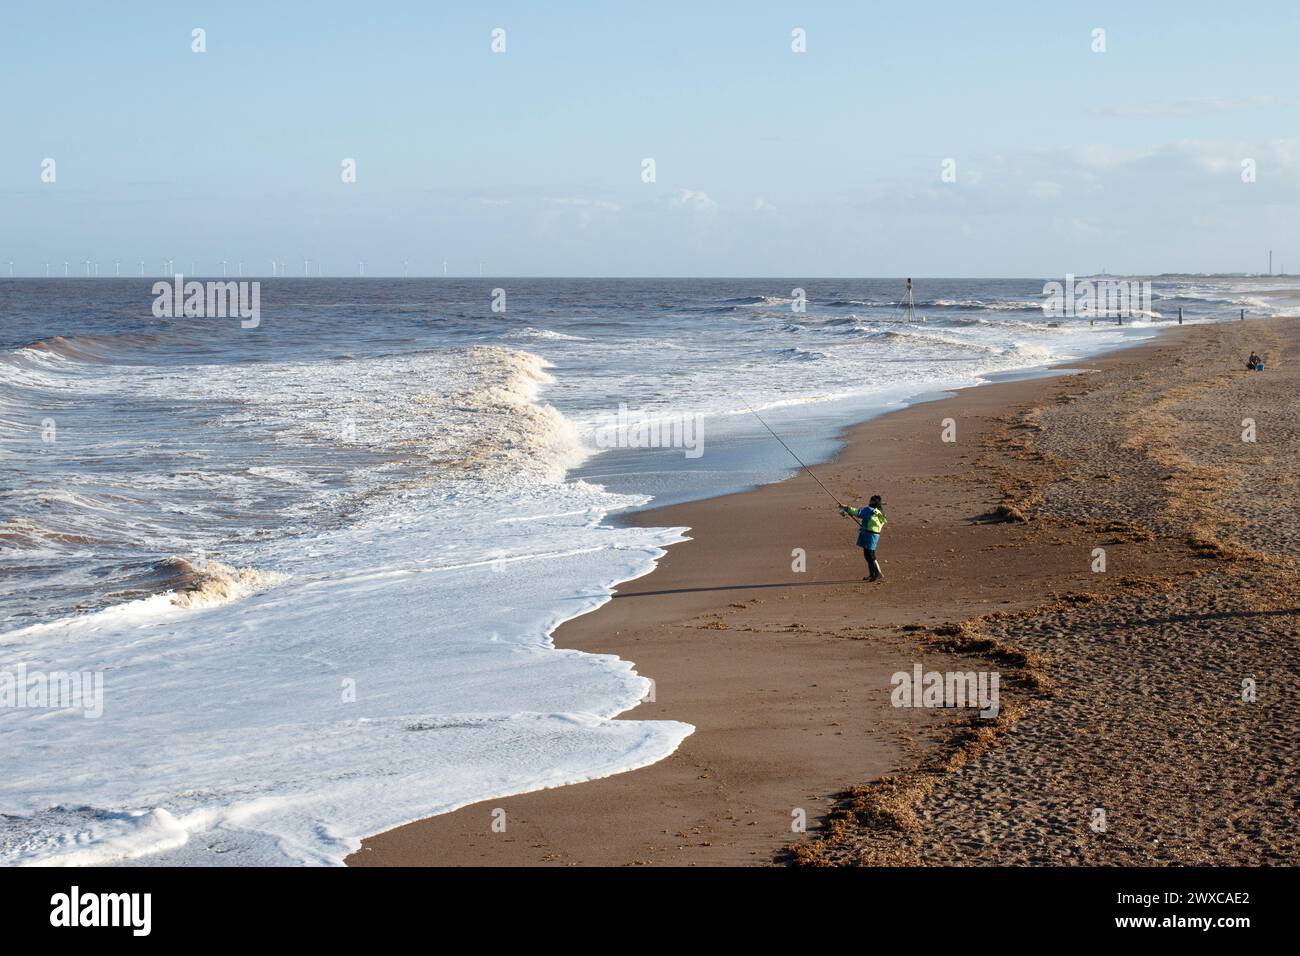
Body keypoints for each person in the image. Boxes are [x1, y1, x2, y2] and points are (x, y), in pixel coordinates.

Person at [840, 495, 887, 582]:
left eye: (871, 500)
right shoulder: (880, 512)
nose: (870, 501)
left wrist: (846, 508)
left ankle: (877, 574)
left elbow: (858, 512)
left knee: (870, 554)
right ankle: (872, 574)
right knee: (867, 554)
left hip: (870, 534)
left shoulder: (870, 510)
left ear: (873, 502)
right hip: (873, 533)